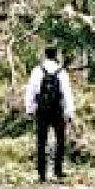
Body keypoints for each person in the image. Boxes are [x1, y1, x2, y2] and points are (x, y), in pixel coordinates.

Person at [24, 46, 76, 182]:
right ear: (56, 55)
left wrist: (29, 109)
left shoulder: (37, 70)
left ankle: (42, 174)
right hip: (57, 110)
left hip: (42, 110)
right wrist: (70, 112)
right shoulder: (62, 72)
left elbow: (31, 91)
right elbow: (67, 93)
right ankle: (58, 171)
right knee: (60, 140)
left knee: (41, 141)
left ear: (45, 54)